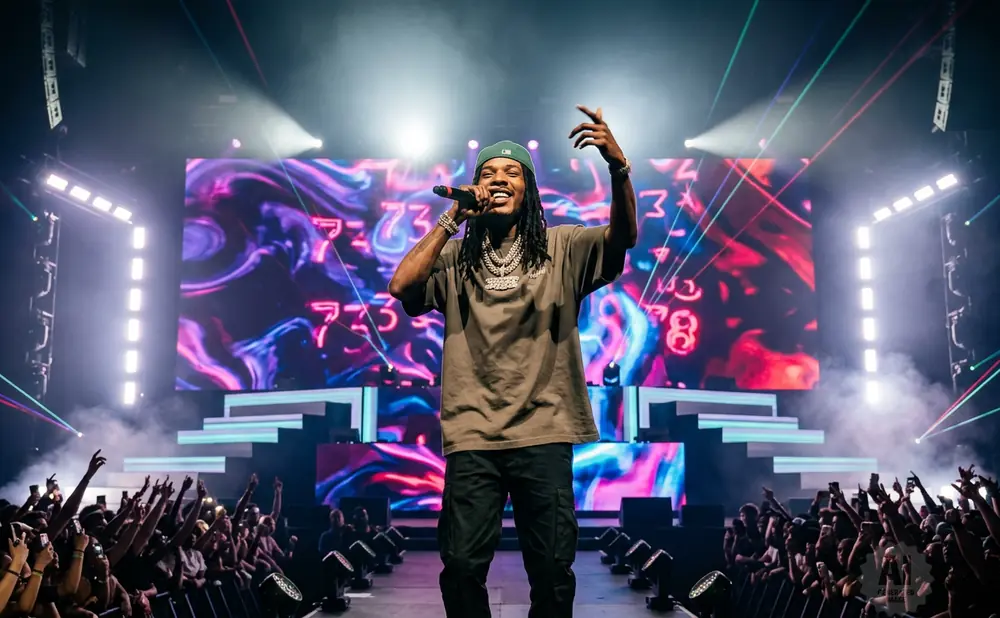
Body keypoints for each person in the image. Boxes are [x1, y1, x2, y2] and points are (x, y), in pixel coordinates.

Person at [388, 105, 636, 617]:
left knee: (551, 574)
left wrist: (619, 168)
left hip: (544, 431)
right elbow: (401, 285)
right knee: (459, 567)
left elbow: (623, 238)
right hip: (473, 434)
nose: (498, 178)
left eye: (511, 172)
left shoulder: (561, 246)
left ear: (528, 189)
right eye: (488, 172)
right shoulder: (456, 257)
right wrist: (453, 216)